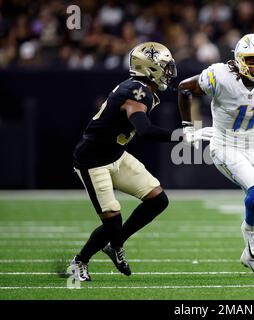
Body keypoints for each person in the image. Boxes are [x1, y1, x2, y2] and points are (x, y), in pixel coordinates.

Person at [69, 42, 201, 281]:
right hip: (93, 160)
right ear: (149, 67)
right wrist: (181, 136)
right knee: (113, 224)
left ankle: (115, 244)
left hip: (115, 154)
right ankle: (79, 261)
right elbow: (145, 130)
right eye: (165, 67)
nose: (169, 72)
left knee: (157, 199)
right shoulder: (137, 91)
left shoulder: (141, 89)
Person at [178, 33, 254, 278]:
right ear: (239, 60)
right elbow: (184, 88)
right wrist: (187, 126)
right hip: (225, 145)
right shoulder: (220, 76)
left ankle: (251, 259)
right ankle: (248, 232)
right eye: (253, 60)